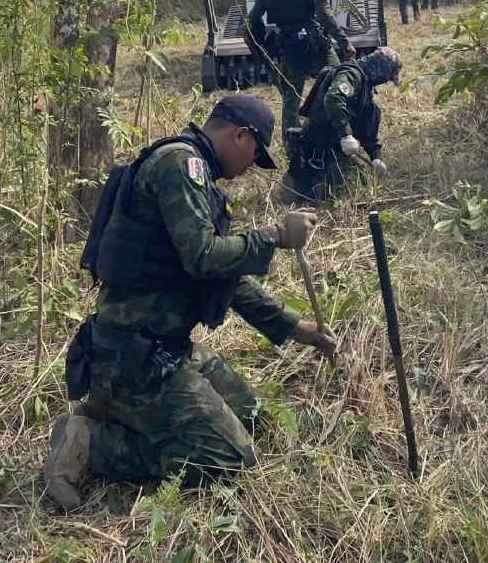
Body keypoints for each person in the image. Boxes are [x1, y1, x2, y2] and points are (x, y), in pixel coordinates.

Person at [44, 94, 335, 509]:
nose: (252, 166)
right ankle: (91, 441)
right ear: (240, 134)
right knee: (229, 459)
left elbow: (223, 278)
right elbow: (203, 257)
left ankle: (114, 411)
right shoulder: (181, 165)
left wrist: (294, 328)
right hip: (136, 357)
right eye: (256, 154)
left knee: (252, 416)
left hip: (165, 350)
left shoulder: (196, 179)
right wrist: (275, 236)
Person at [246, 0, 354, 134]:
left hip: (287, 47)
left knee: (290, 99)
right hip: (314, 46)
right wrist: (345, 43)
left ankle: (291, 147)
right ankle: (338, 132)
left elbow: (253, 17)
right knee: (337, 77)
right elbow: (325, 16)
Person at [281, 46, 403, 203]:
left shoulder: (365, 88)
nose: (385, 81)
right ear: (382, 70)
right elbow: (333, 99)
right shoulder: (351, 74)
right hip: (320, 144)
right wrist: (346, 134)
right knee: (345, 190)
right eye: (387, 77)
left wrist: (376, 157)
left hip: (335, 146)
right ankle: (299, 183)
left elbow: (368, 132)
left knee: (361, 181)